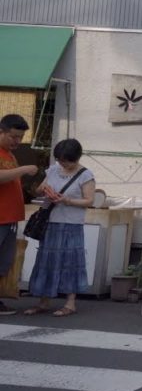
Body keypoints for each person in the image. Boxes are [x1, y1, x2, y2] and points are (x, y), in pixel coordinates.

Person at [23, 139, 95, 317]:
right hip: (50, 221)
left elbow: (89, 200)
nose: (63, 163)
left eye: (67, 161)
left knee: (69, 262)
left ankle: (70, 303)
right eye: (60, 159)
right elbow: (40, 188)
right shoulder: (54, 169)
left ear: (76, 158)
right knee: (46, 261)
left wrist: (66, 200)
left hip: (71, 223)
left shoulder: (86, 175)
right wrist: (45, 191)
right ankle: (43, 301)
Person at [0, 114, 38, 316]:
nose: (17, 141)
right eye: (13, 136)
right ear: (2, 131)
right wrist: (22, 169)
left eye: (20, 137)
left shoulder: (9, 154)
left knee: (4, 261)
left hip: (10, 217)